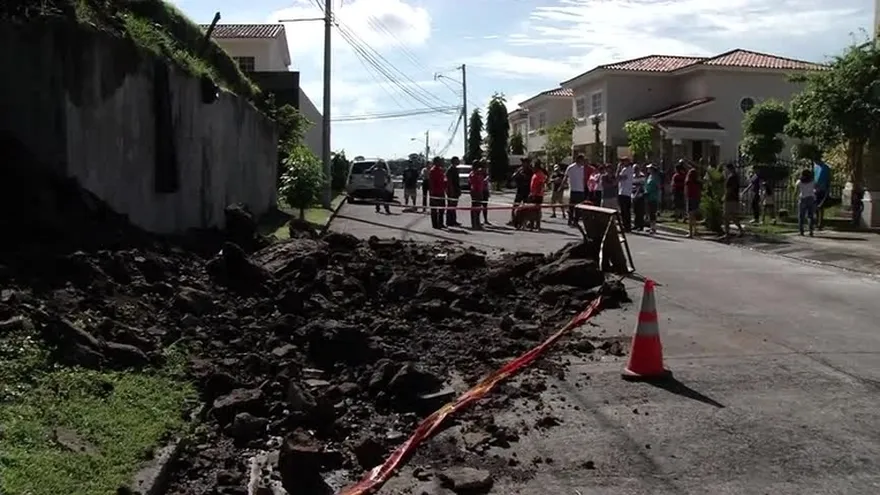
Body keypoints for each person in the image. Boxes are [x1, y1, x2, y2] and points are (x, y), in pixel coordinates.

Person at [564, 155, 588, 225]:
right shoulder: (571, 167)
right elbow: (566, 177)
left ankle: (576, 221)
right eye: (582, 160)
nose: (583, 162)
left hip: (581, 190)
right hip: (573, 189)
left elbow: (583, 179)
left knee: (579, 207)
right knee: (571, 206)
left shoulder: (582, 168)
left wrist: (585, 188)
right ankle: (570, 219)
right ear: (578, 160)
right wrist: (562, 185)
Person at [723, 163, 744, 238]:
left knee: (726, 216)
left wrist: (724, 196)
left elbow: (729, 189)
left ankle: (727, 233)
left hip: (729, 199)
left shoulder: (731, 177)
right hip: (735, 198)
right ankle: (741, 230)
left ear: (728, 169)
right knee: (734, 216)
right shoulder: (736, 176)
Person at [510, 158, 533, 225]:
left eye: (525, 162)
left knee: (527, 207)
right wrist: (517, 173)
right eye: (523, 162)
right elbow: (513, 177)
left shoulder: (530, 171)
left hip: (527, 191)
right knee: (515, 206)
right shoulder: (519, 170)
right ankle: (513, 220)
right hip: (520, 191)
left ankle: (527, 222)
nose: (523, 164)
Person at [428, 157, 447, 229]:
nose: (441, 162)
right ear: (435, 162)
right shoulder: (432, 171)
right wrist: (432, 193)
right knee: (434, 209)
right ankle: (435, 224)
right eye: (439, 161)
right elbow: (431, 183)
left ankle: (441, 223)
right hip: (435, 193)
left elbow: (444, 179)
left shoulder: (441, 170)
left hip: (441, 191)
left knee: (442, 208)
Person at [798, 168, 817, 236]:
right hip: (811, 198)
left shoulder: (799, 182)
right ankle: (811, 231)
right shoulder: (813, 181)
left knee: (801, 216)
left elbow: (797, 189)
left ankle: (801, 231)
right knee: (810, 215)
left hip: (802, 198)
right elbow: (816, 188)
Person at [684, 167, 702, 238]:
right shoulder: (698, 182)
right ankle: (695, 231)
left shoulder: (688, 182)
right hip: (696, 198)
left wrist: (685, 197)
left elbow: (686, 191)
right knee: (693, 216)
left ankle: (691, 232)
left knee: (690, 216)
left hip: (690, 198)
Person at [529, 162, 547, 230]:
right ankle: (532, 225)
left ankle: (537, 225)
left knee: (536, 211)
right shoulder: (535, 174)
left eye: (533, 167)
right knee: (532, 210)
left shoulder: (540, 174)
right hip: (534, 194)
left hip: (537, 195)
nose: (532, 168)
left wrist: (535, 194)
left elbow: (540, 185)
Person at [468, 162, 487, 229]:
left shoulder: (478, 173)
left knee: (478, 209)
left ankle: (477, 222)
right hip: (476, 192)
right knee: (475, 208)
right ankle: (475, 224)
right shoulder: (474, 173)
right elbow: (474, 181)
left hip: (479, 191)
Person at [813, 160, 831, 229]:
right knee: (816, 207)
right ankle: (817, 221)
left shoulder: (826, 168)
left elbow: (828, 179)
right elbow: (815, 178)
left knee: (821, 206)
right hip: (816, 189)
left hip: (823, 189)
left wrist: (827, 189)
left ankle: (820, 223)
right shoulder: (816, 167)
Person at [445, 156, 463, 227]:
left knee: (454, 206)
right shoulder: (451, 169)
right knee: (451, 206)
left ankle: (453, 220)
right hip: (451, 191)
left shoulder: (455, 169)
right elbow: (450, 181)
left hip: (456, 190)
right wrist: (452, 190)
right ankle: (449, 221)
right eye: (457, 160)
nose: (458, 161)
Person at [644, 164, 661, 234]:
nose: (648, 169)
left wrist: (650, 191)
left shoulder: (655, 177)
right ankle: (651, 226)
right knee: (649, 212)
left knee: (652, 213)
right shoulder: (649, 177)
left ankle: (653, 228)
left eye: (649, 168)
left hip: (653, 197)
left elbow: (657, 187)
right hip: (648, 197)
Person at [617, 159, 633, 231]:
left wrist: (618, 169)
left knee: (626, 211)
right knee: (623, 211)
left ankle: (627, 226)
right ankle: (625, 225)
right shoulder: (623, 169)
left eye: (624, 161)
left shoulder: (628, 169)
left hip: (626, 192)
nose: (622, 162)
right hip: (622, 191)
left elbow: (619, 177)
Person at [632, 164, 646, 231]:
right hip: (634, 195)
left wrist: (636, 195)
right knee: (635, 211)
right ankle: (636, 224)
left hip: (640, 195)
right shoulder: (633, 176)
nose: (635, 170)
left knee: (640, 211)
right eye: (634, 169)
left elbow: (640, 186)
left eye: (636, 169)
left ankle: (641, 225)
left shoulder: (641, 175)